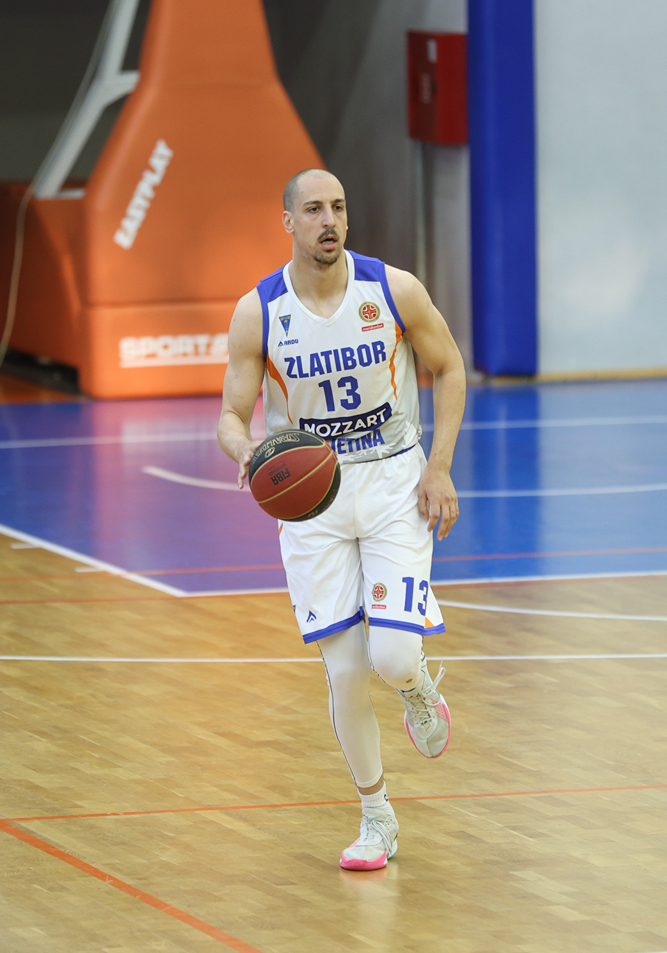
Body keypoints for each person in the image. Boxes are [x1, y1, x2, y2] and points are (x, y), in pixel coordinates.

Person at [218, 168, 466, 871]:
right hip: (312, 501)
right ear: (288, 221)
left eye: (338, 208)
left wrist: (438, 466)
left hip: (392, 483)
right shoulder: (259, 311)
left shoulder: (393, 290)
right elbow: (232, 414)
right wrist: (247, 451)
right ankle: (376, 816)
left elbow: (449, 368)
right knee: (347, 671)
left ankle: (417, 688)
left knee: (391, 658)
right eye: (313, 209)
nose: (328, 220)